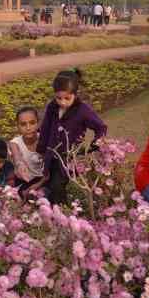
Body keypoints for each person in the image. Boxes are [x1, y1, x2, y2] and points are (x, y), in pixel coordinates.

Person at [37, 69, 107, 205]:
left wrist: (94, 145)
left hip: (68, 157)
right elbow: (45, 128)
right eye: (59, 98)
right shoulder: (52, 107)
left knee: (57, 186)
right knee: (49, 184)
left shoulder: (82, 110)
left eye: (67, 98)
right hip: (51, 154)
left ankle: (62, 214)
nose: (62, 102)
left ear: (75, 94)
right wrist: (41, 149)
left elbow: (101, 127)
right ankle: (52, 211)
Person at [8, 106, 44, 195]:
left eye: (32, 123)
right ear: (18, 126)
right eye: (23, 124)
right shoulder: (15, 143)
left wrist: (39, 184)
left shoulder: (45, 139)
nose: (28, 128)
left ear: (38, 123)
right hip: (25, 179)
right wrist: (20, 165)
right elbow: (17, 156)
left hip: (45, 179)